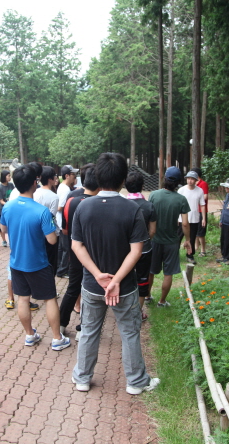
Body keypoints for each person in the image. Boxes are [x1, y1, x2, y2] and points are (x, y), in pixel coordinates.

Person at [71, 152, 159, 395]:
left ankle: (82, 378)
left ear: (98, 177)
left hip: (92, 286)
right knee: (129, 333)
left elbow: (77, 246)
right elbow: (136, 250)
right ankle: (136, 382)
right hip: (125, 287)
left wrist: (98, 275)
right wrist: (116, 279)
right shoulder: (132, 209)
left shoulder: (83, 206)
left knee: (89, 331)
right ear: (123, 179)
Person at [0, 164, 70, 351]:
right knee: (50, 299)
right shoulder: (42, 211)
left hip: (16, 262)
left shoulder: (8, 206)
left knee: (23, 299)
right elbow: (52, 240)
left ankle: (30, 335)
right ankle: (57, 339)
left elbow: (3, 229)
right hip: (38, 263)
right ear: (34, 183)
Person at [59, 164, 99, 341]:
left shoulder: (71, 200)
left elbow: (65, 230)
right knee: (90, 291)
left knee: (73, 288)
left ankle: (60, 325)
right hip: (95, 256)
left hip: (74, 252)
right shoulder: (100, 204)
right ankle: (83, 329)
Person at [147, 166, 191, 307]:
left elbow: (148, 216)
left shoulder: (153, 195)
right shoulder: (181, 199)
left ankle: (147, 296)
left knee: (150, 271)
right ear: (178, 182)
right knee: (168, 273)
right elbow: (185, 224)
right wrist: (188, 240)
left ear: (164, 179)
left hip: (154, 240)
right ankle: (162, 301)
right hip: (171, 242)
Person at [125, 171, 156, 318]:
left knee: (125, 277)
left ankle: (124, 310)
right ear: (142, 186)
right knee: (142, 280)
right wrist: (143, 240)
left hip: (125, 250)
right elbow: (153, 230)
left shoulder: (122, 205)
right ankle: (138, 312)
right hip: (144, 249)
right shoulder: (149, 206)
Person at [34, 166, 60, 273]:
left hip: (36, 232)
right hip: (50, 233)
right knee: (50, 264)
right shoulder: (54, 197)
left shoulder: (35, 192)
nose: (56, 178)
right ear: (50, 179)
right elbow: (51, 216)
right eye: (55, 176)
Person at [178, 171, 206, 264]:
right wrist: (176, 217)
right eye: (188, 179)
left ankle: (190, 255)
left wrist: (203, 218)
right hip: (182, 218)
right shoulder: (181, 190)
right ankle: (174, 254)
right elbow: (177, 205)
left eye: (192, 179)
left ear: (196, 180)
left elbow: (202, 205)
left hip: (194, 218)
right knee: (178, 237)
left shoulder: (200, 190)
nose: (190, 181)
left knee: (192, 238)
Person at [56, 165, 79, 278]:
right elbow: (60, 207)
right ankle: (62, 271)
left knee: (62, 248)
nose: (75, 177)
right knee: (66, 249)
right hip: (63, 222)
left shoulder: (62, 186)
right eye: (73, 174)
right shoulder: (65, 190)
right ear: (67, 176)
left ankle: (59, 268)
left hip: (60, 222)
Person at [191, 167, 209, 257]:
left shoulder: (203, 184)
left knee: (201, 232)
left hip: (201, 211)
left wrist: (195, 198)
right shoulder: (193, 185)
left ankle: (203, 250)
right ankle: (196, 247)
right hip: (194, 210)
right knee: (195, 230)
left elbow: (205, 196)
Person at [0, 170, 14, 247]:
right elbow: (1, 201)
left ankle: (11, 239)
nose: (10, 177)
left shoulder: (11, 185)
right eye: (8, 176)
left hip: (11, 209)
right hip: (2, 210)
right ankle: (4, 240)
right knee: (1, 226)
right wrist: (8, 204)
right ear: (4, 177)